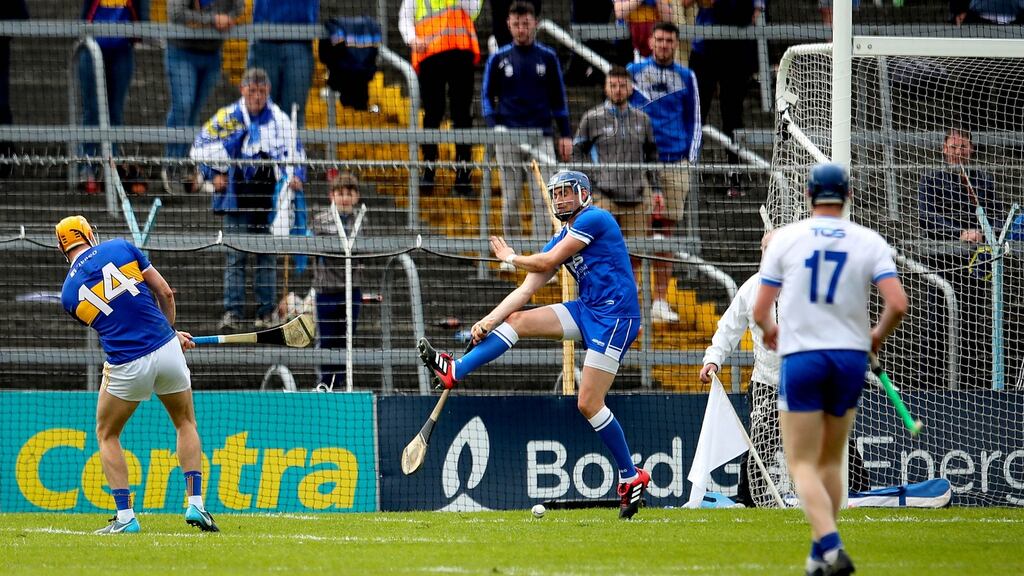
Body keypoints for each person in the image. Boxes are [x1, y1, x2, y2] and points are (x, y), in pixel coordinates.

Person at [417, 170, 651, 519]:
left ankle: (631, 475)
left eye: (566, 193)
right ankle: (455, 370)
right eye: (555, 194)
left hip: (617, 317)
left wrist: (510, 257)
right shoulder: (562, 237)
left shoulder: (595, 219)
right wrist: (487, 322)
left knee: (588, 403)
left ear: (584, 194)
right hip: (587, 309)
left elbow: (543, 263)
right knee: (517, 320)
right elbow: (526, 290)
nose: (559, 200)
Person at [753, 163, 908, 576]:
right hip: (848, 358)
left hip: (803, 355)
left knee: (801, 462)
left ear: (808, 197)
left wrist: (771, 331)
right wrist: (875, 337)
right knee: (830, 460)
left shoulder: (787, 239)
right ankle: (818, 554)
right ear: (848, 196)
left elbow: (759, 308)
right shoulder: (868, 240)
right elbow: (898, 304)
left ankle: (834, 548)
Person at [55, 215, 218, 534]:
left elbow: (118, 322)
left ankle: (126, 517)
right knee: (185, 422)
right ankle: (196, 504)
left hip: (127, 363)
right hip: (167, 351)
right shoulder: (120, 246)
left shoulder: (68, 294)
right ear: (90, 234)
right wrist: (170, 333)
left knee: (107, 433)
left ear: (63, 249)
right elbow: (165, 294)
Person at [191, 68, 307, 331]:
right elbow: (201, 146)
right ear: (243, 90)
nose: (256, 96)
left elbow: (295, 151)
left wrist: (297, 175)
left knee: (266, 256)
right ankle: (233, 312)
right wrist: (213, 173)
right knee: (236, 257)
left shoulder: (280, 120)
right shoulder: (228, 117)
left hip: (268, 201)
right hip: (237, 198)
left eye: (262, 91)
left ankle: (266, 312)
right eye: (251, 91)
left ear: (268, 92)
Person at [573, 66, 667, 310]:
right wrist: (592, 179)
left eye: (622, 85)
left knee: (635, 254)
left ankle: (627, 302)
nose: (617, 90)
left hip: (637, 195)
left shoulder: (642, 119)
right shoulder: (592, 118)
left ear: (631, 88)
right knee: (601, 252)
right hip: (605, 196)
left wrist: (656, 189)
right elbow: (577, 151)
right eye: (613, 85)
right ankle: (598, 301)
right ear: (606, 88)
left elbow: (652, 156)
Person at [917, 127, 1004, 387]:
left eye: (963, 147)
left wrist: (983, 231)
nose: (958, 152)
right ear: (944, 149)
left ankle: (969, 387)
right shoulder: (931, 180)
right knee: (937, 324)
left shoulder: (984, 181)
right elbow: (926, 218)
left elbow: (998, 217)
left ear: (972, 150)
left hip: (975, 263)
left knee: (972, 324)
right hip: (942, 263)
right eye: (954, 147)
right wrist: (959, 233)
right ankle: (928, 387)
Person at [627, 21, 700, 322]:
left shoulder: (687, 76)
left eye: (669, 41)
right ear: (651, 42)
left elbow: (695, 118)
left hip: (674, 162)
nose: (664, 45)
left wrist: (688, 159)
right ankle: (631, 302)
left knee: (665, 236)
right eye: (659, 40)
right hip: (639, 165)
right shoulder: (632, 73)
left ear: (676, 43)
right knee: (634, 233)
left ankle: (659, 300)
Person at [482, 1, 572, 239]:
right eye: (516, 24)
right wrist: (494, 126)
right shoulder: (498, 59)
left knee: (544, 197)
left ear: (535, 24)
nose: (521, 29)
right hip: (508, 136)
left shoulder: (548, 57)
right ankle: (511, 255)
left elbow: (558, 98)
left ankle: (542, 255)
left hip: (541, 135)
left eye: (525, 24)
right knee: (510, 198)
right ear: (508, 25)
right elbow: (486, 97)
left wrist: (565, 133)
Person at [398, 0, 482, 196]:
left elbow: (473, 9)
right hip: (430, 56)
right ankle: (428, 171)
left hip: (460, 55)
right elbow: (405, 18)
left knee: (462, 116)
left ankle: (463, 176)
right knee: (433, 114)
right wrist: (412, 39)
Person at [162, 0, 242, 193]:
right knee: (183, 105)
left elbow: (238, 7)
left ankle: (185, 164)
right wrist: (214, 19)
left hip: (212, 53)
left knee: (194, 111)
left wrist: (228, 19)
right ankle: (171, 165)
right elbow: (176, 14)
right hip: (181, 50)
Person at [684, 0, 760, 198]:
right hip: (704, 50)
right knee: (697, 115)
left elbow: (749, 14)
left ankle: (735, 176)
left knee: (733, 117)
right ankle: (688, 176)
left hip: (735, 50)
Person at [78, 0, 140, 194]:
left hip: (122, 50)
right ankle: (88, 167)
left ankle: (110, 169)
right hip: (92, 46)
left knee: (115, 111)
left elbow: (140, 15)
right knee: (92, 111)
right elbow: (85, 12)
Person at [312, 170, 367, 385]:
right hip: (326, 292)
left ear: (356, 196)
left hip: (351, 290)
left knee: (347, 340)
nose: (345, 197)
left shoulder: (361, 220)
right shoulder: (320, 220)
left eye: (349, 193)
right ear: (332, 196)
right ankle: (325, 382)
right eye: (340, 193)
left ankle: (344, 382)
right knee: (326, 340)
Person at [247, 0, 318, 127]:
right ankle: (257, 147)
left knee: (294, 114)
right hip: (264, 41)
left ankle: (291, 147)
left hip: (300, 40)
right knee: (258, 111)